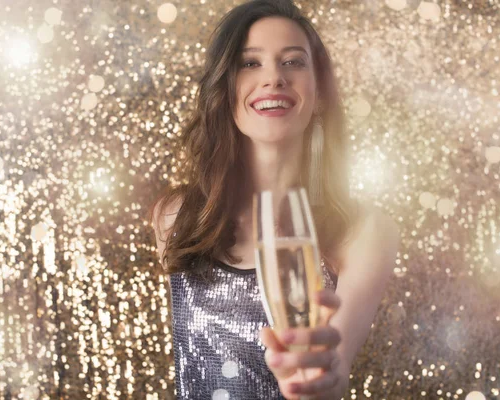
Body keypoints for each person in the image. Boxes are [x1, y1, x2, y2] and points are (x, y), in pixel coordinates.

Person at [149, 0, 399, 398]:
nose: (274, 78)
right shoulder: (176, 217)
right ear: (224, 88)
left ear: (318, 92)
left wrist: (318, 380)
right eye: (250, 63)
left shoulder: (364, 231)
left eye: (294, 62)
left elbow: (333, 372)